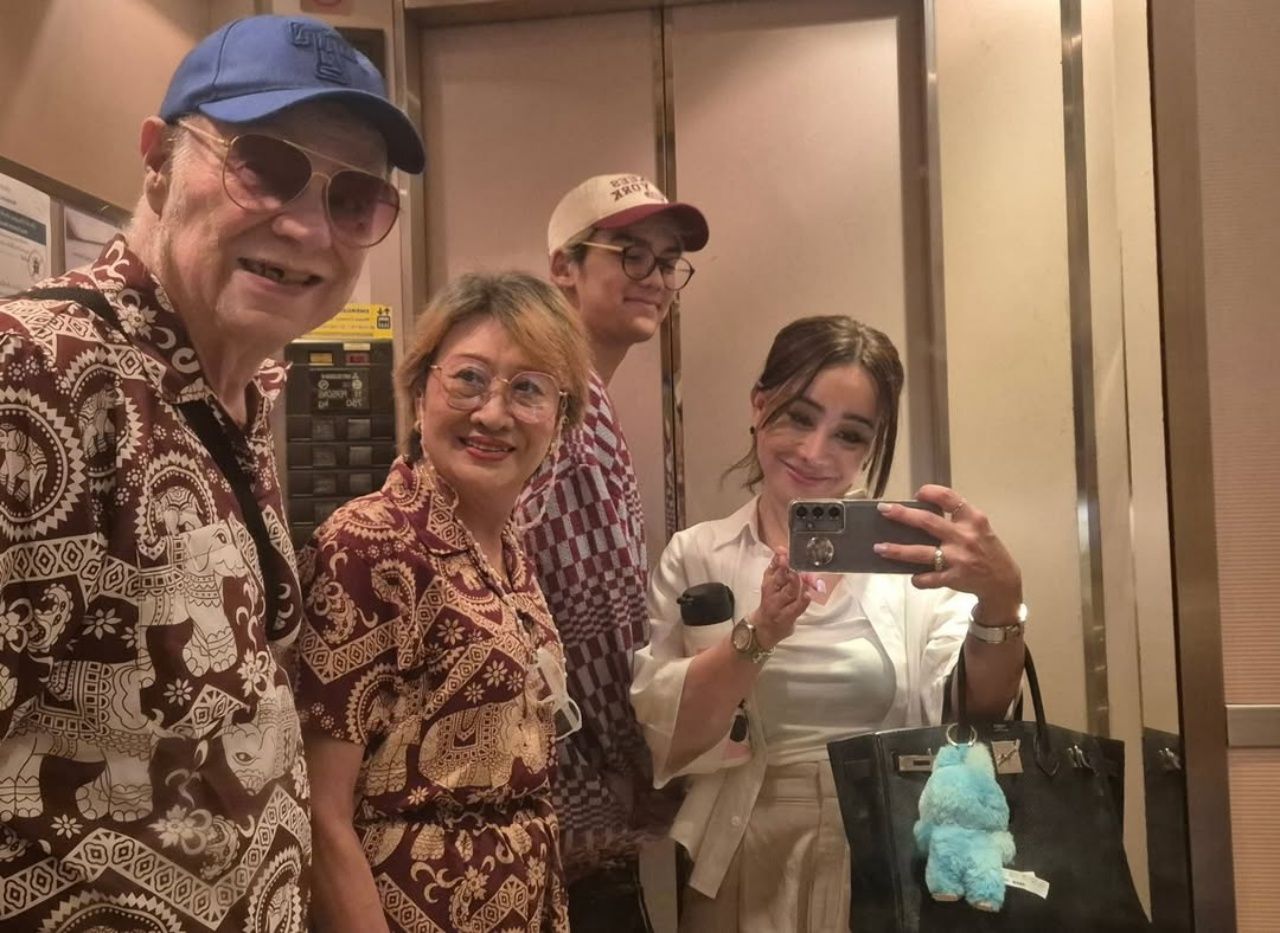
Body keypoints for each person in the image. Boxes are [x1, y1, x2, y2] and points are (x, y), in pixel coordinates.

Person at [0, 14, 423, 931]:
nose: (307, 225)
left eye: (353, 199)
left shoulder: (237, 394)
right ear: (157, 159)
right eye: (264, 166)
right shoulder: (35, 371)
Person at [631, 316, 1027, 931]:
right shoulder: (700, 555)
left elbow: (972, 717)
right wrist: (759, 634)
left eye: (849, 434)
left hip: (886, 852)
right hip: (742, 848)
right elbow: (670, 739)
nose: (815, 453)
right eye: (798, 417)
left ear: (871, 445)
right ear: (759, 405)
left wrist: (1002, 600)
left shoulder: (910, 563)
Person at [298, 272, 592, 932]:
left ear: (560, 419)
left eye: (528, 389)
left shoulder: (506, 549)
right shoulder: (370, 545)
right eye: (469, 379)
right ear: (418, 391)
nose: (493, 413)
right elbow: (320, 810)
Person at [521, 173, 709, 928]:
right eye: (630, 254)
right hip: (564, 797)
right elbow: (589, 617)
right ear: (563, 266)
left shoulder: (575, 393)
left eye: (668, 261)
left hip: (552, 784)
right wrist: (643, 762)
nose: (655, 278)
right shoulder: (560, 400)